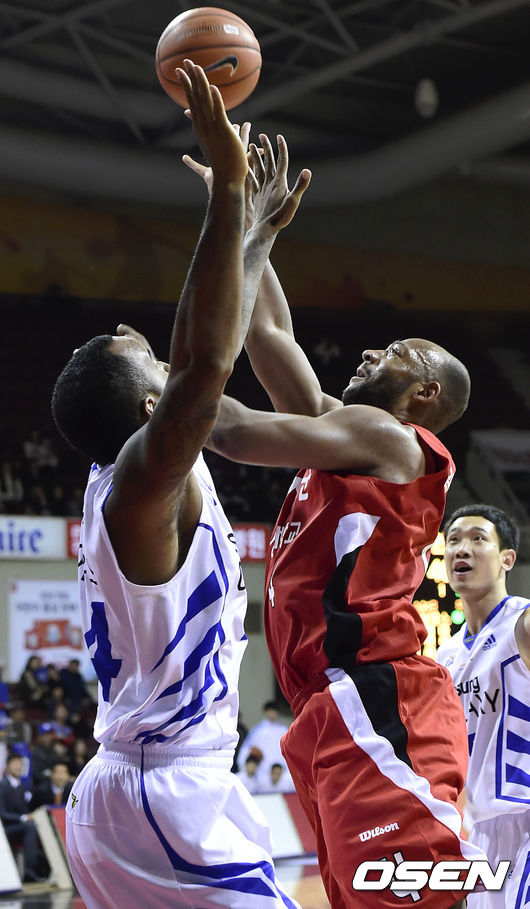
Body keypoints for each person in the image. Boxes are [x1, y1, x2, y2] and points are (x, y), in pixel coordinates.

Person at [51, 61, 309, 909]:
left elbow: (195, 348)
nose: (156, 345)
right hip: (160, 794)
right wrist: (228, 191)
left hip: (154, 786)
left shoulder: (137, 471)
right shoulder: (139, 484)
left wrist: (249, 237)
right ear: (149, 408)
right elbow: (202, 363)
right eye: (146, 359)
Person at [208, 199, 484, 907]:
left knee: (412, 897)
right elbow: (269, 332)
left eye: (393, 353)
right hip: (329, 703)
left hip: (375, 694)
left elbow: (229, 429)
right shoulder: (348, 437)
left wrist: (150, 386)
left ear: (424, 392)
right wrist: (249, 225)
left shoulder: (389, 438)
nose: (368, 353)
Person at [437, 504, 530, 909]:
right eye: (453, 540)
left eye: (478, 539)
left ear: (507, 559)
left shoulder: (521, 623)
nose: (462, 549)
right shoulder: (444, 657)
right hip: (477, 834)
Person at [0, 753, 43, 882]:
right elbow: (2, 813)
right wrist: (23, 817)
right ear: (7, 766)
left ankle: (40, 868)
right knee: (30, 828)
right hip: (6, 828)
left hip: (19, 826)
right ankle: (30, 871)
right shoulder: (2, 785)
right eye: (15, 763)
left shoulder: (22, 786)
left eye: (20, 764)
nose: (18, 767)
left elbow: (25, 810)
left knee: (38, 827)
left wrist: (30, 815)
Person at [237, 701, 290, 790]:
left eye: (274, 711)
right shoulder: (258, 731)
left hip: (282, 772)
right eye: (270, 711)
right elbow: (246, 749)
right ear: (265, 712)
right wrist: (243, 767)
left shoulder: (284, 730)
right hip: (263, 773)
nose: (272, 713)